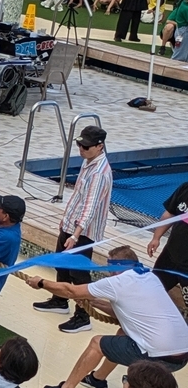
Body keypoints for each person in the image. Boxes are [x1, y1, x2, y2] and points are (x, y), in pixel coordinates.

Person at [35, 245, 188, 388]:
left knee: (97, 343)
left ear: (118, 266)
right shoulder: (149, 277)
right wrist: (93, 303)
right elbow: (125, 312)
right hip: (182, 357)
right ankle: (97, 379)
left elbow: (70, 291)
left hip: (160, 358)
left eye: (110, 267)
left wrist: (41, 283)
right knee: (122, 333)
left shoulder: (117, 282)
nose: (108, 271)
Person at [33, 125, 112, 333]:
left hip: (83, 232)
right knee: (61, 264)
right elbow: (78, 196)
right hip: (71, 225)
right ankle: (60, 300)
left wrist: (75, 235)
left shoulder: (99, 173)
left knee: (79, 274)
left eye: (86, 147)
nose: (81, 149)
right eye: (80, 145)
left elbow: (90, 207)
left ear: (100, 146)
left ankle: (83, 316)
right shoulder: (89, 162)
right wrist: (66, 221)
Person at [147, 180, 188, 312]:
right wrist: (156, 237)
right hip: (170, 255)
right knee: (151, 290)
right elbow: (170, 213)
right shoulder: (185, 188)